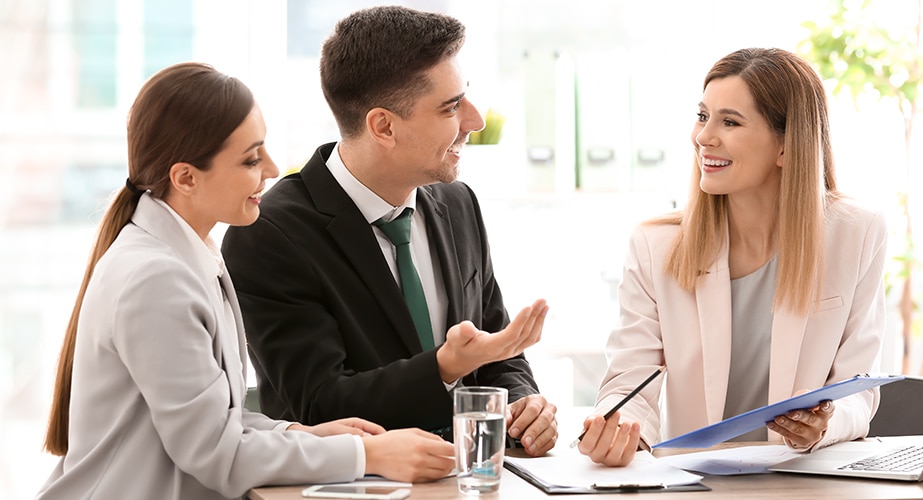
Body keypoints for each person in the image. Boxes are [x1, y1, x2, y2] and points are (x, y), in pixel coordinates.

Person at [37, 62, 456, 500]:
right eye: (251, 159)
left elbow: (220, 420)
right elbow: (218, 453)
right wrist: (365, 456)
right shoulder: (156, 279)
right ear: (186, 178)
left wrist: (307, 435)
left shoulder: (188, 256)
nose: (272, 169)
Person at [221, 6, 558, 457]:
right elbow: (316, 404)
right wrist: (443, 367)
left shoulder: (459, 204)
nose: (475, 121)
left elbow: (497, 350)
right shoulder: (270, 232)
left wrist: (521, 404)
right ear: (383, 126)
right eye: (451, 106)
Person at [576, 47, 887, 466]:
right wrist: (617, 428)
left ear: (786, 147)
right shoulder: (655, 245)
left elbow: (858, 388)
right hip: (695, 485)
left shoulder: (857, 233)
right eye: (703, 116)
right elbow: (631, 383)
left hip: (806, 480)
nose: (703, 137)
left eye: (730, 122)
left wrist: (826, 421)